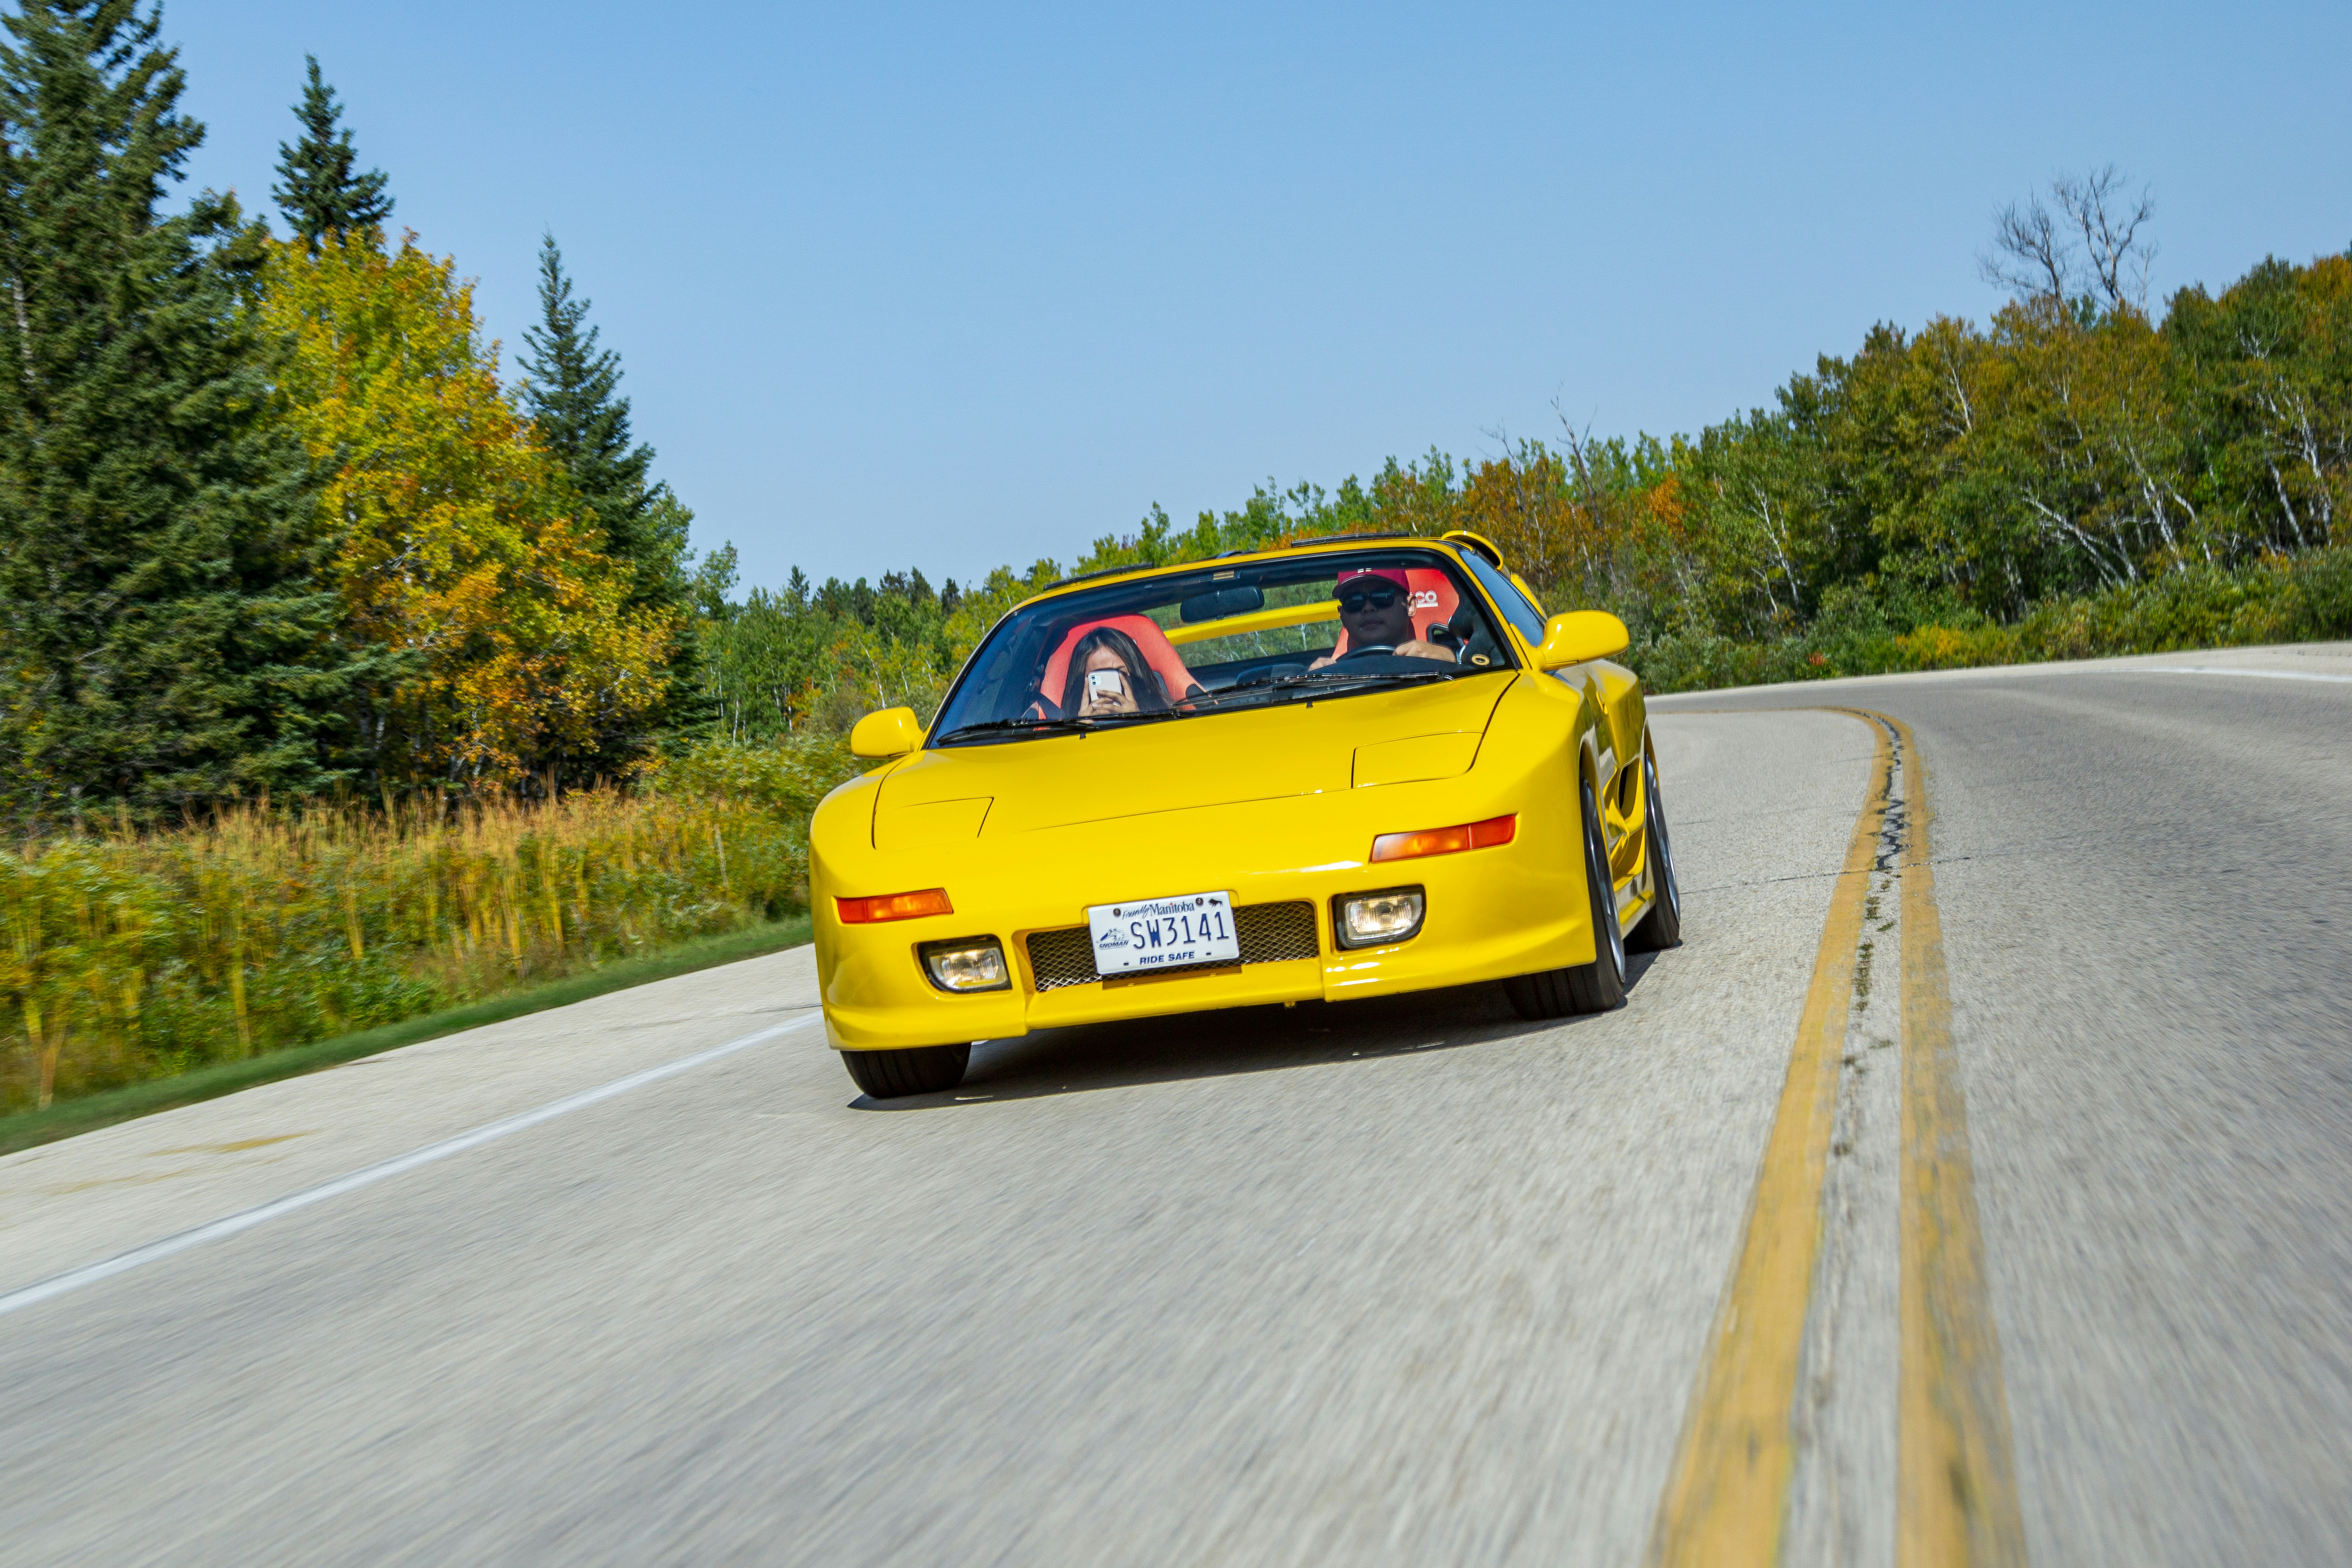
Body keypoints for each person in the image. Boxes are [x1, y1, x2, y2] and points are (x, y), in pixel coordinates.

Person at [1307, 568, 1457, 671]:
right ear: (1343, 616)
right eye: (1354, 601)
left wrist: (1454, 660)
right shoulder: (1327, 676)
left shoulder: (1446, 662)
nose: (1368, 608)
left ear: (1410, 606)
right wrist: (1312, 680)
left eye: (1382, 597)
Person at [1059, 626, 1174, 717]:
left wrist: (1137, 721)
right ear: (1081, 685)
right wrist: (1079, 730)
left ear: (1137, 675)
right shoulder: (1060, 731)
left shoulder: (1166, 721)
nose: (1109, 690)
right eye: (1098, 677)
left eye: (1121, 674)